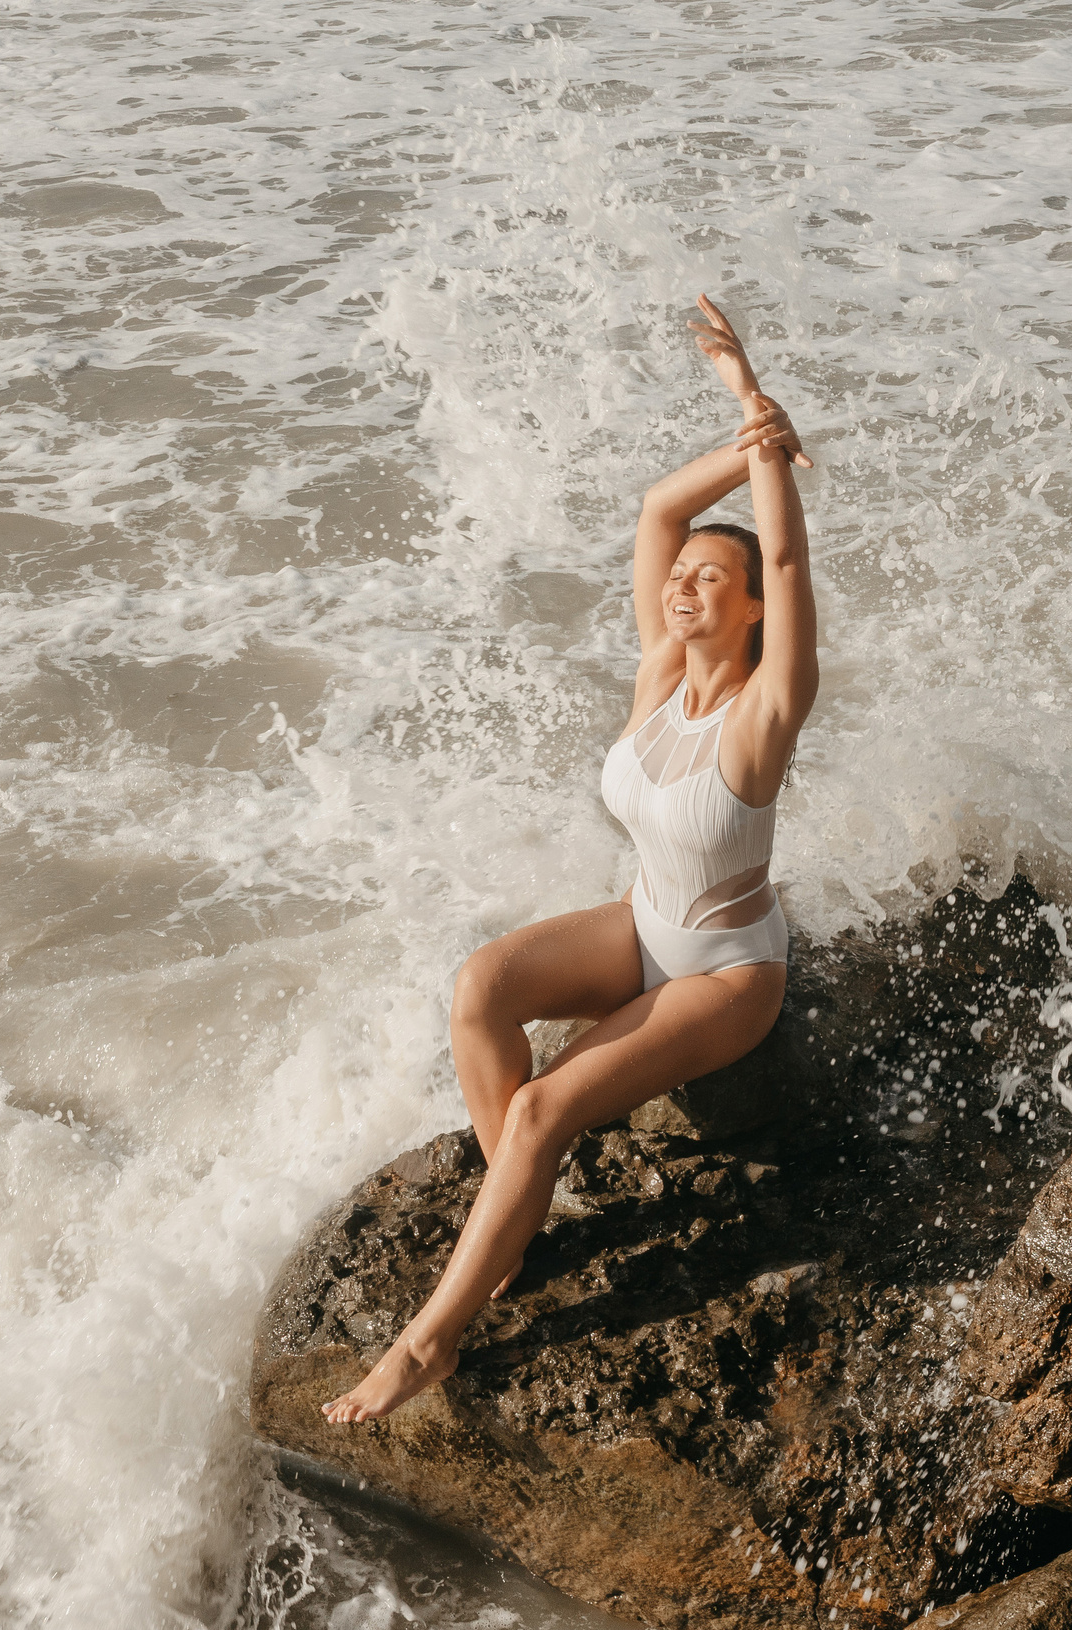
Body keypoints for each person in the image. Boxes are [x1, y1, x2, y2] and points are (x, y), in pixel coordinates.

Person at [323, 294, 818, 1425]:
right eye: (679, 577)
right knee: (479, 991)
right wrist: (737, 427)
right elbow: (655, 510)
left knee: (544, 1109)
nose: (683, 585)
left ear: (746, 613)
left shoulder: (764, 713)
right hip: (641, 923)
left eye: (708, 581)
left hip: (724, 974)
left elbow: (785, 559)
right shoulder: (656, 675)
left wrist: (766, 437)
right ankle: (514, 1215)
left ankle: (425, 1344)